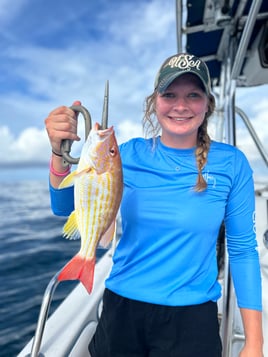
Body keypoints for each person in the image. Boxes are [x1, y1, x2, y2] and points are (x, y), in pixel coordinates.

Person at [45, 53, 263, 357]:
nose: (181, 105)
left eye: (193, 95)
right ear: (154, 101)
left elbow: (242, 250)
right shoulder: (127, 154)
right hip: (122, 307)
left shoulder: (232, 164)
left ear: (207, 104)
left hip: (192, 317)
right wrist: (58, 152)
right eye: (169, 94)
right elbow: (63, 206)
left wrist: (254, 342)